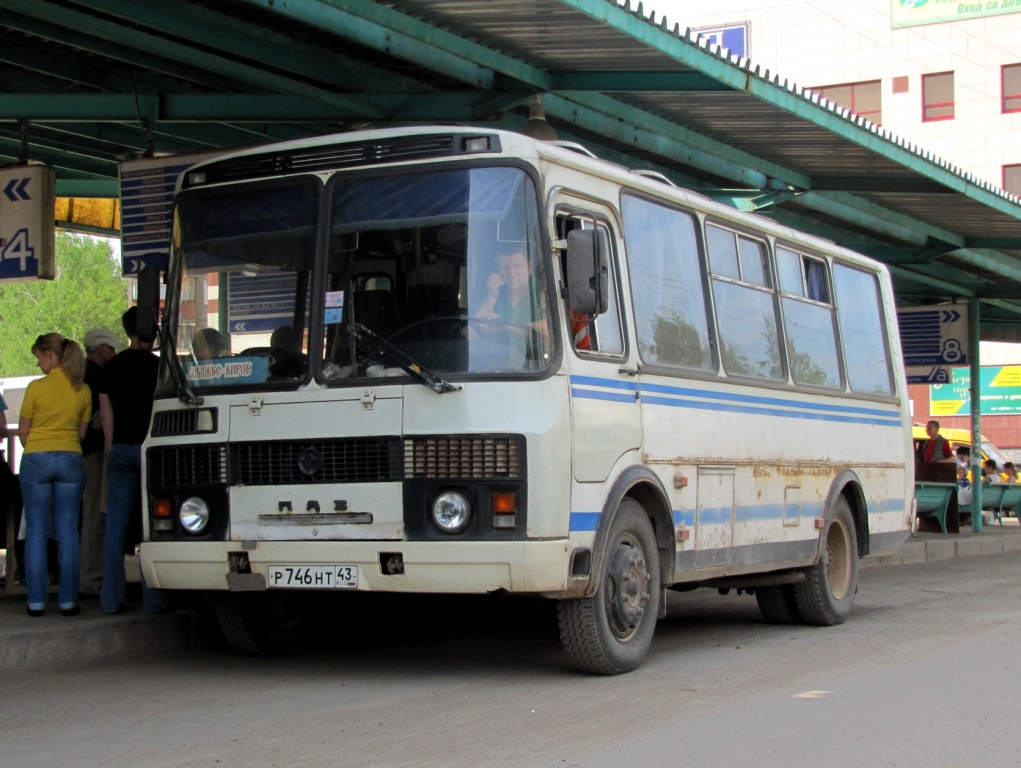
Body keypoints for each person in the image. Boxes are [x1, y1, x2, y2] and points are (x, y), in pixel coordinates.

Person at [99, 307, 168, 615]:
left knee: (115, 528)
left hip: (120, 450)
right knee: (150, 529)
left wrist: (111, 452)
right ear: (147, 331)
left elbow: (108, 418)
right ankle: (153, 601)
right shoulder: (159, 368)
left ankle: (111, 600)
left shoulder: (110, 368)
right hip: (149, 450)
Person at [17, 334, 92, 617]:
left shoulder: (36, 388)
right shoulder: (83, 389)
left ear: (49, 354)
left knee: (36, 531)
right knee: (68, 532)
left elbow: (24, 431)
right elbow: (82, 433)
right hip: (71, 459)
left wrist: (36, 447)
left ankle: (36, 602)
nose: (38, 363)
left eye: (38, 356)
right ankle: (68, 601)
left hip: (37, 458)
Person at [79, 328, 122, 596]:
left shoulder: (80, 374)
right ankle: (91, 578)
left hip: (82, 452)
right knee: (96, 515)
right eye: (112, 348)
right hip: (94, 453)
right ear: (102, 349)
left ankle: (88, 575)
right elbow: (96, 419)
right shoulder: (95, 378)